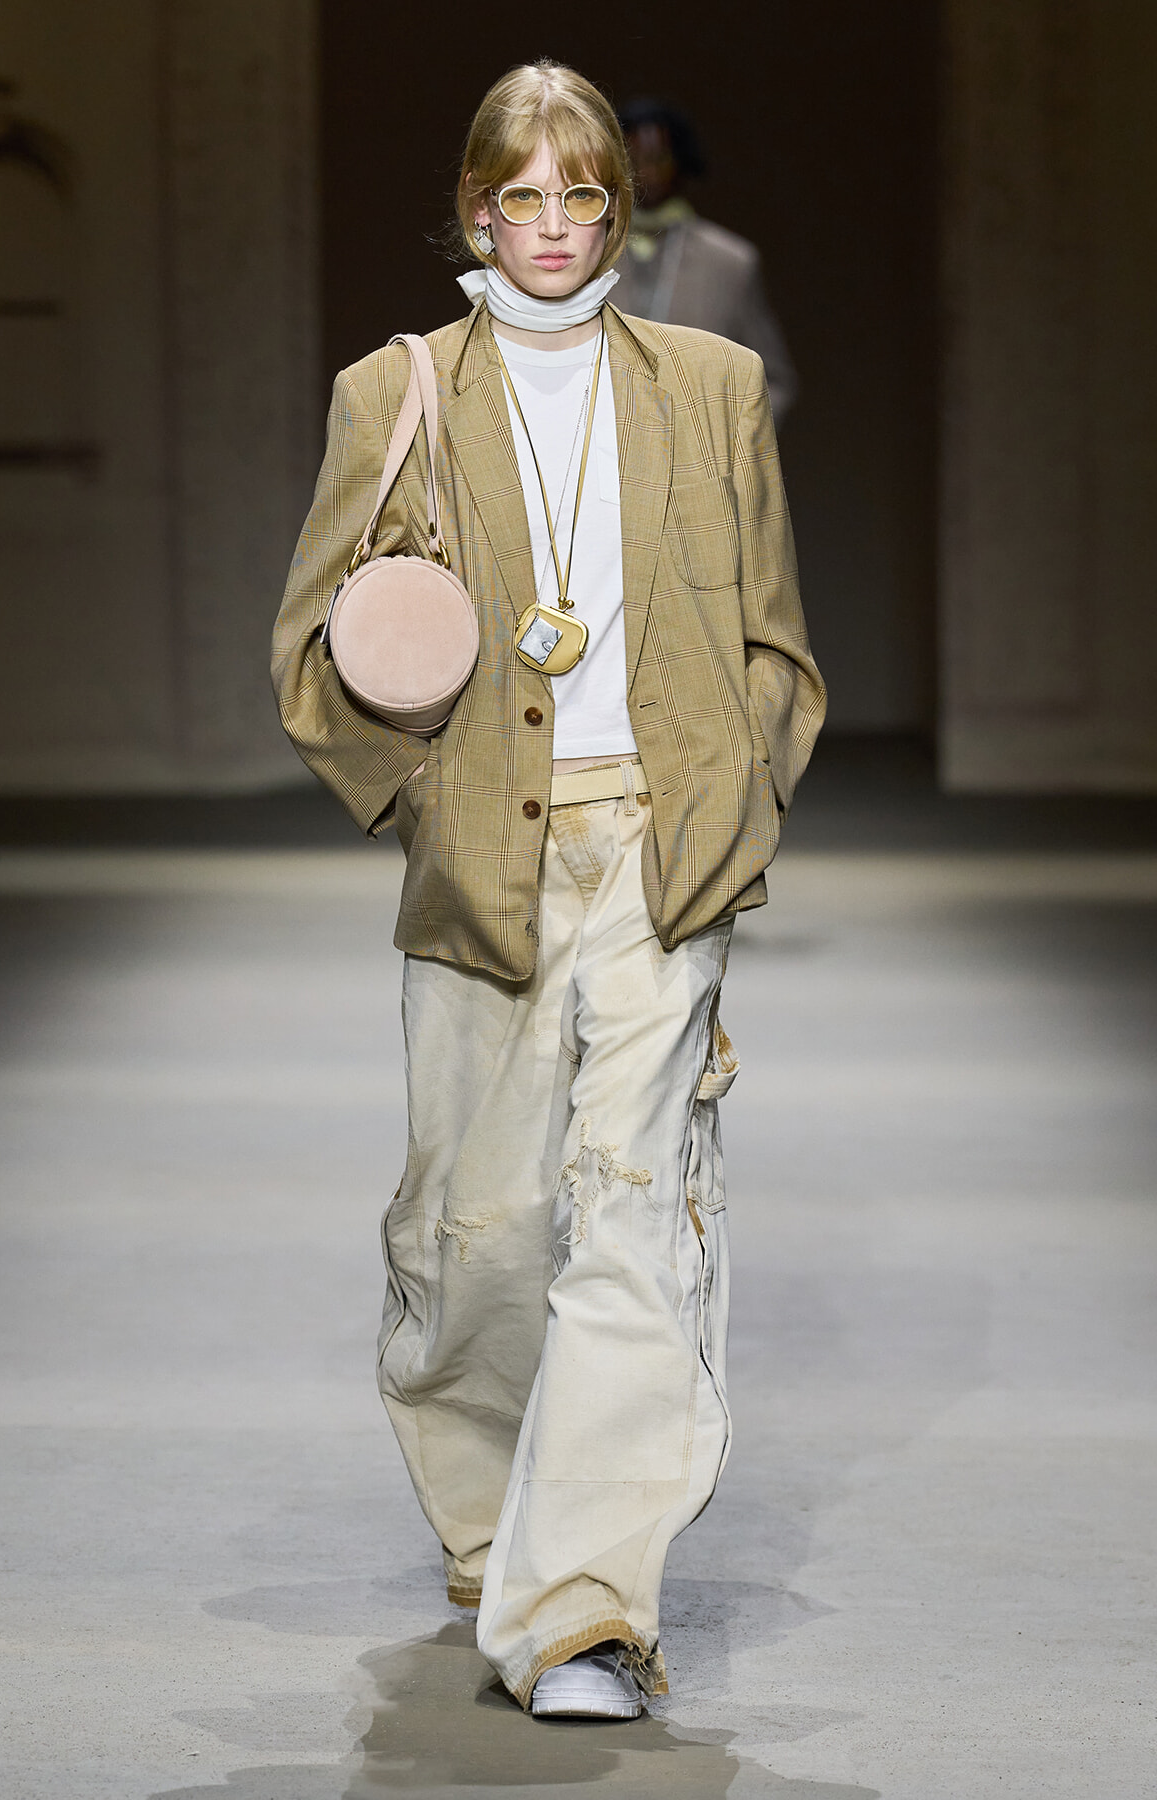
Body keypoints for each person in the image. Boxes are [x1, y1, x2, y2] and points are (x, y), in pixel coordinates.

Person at [272, 61, 824, 1721]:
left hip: (663, 851)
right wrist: (422, 795)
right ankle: (484, 1520)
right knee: (478, 1241)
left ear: (623, 207)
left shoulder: (713, 384)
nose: (557, 227)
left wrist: (738, 802)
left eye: (586, 194)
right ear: (472, 210)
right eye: (523, 196)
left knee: (634, 1233)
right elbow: (310, 656)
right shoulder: (400, 393)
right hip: (488, 854)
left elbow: (776, 640)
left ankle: (584, 1609)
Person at [612, 97, 799, 426]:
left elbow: (774, 381)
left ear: (683, 162)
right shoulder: (588, 254)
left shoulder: (729, 263)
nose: (646, 171)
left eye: (659, 158)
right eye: (633, 159)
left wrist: (732, 445)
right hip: (605, 456)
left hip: (702, 458)